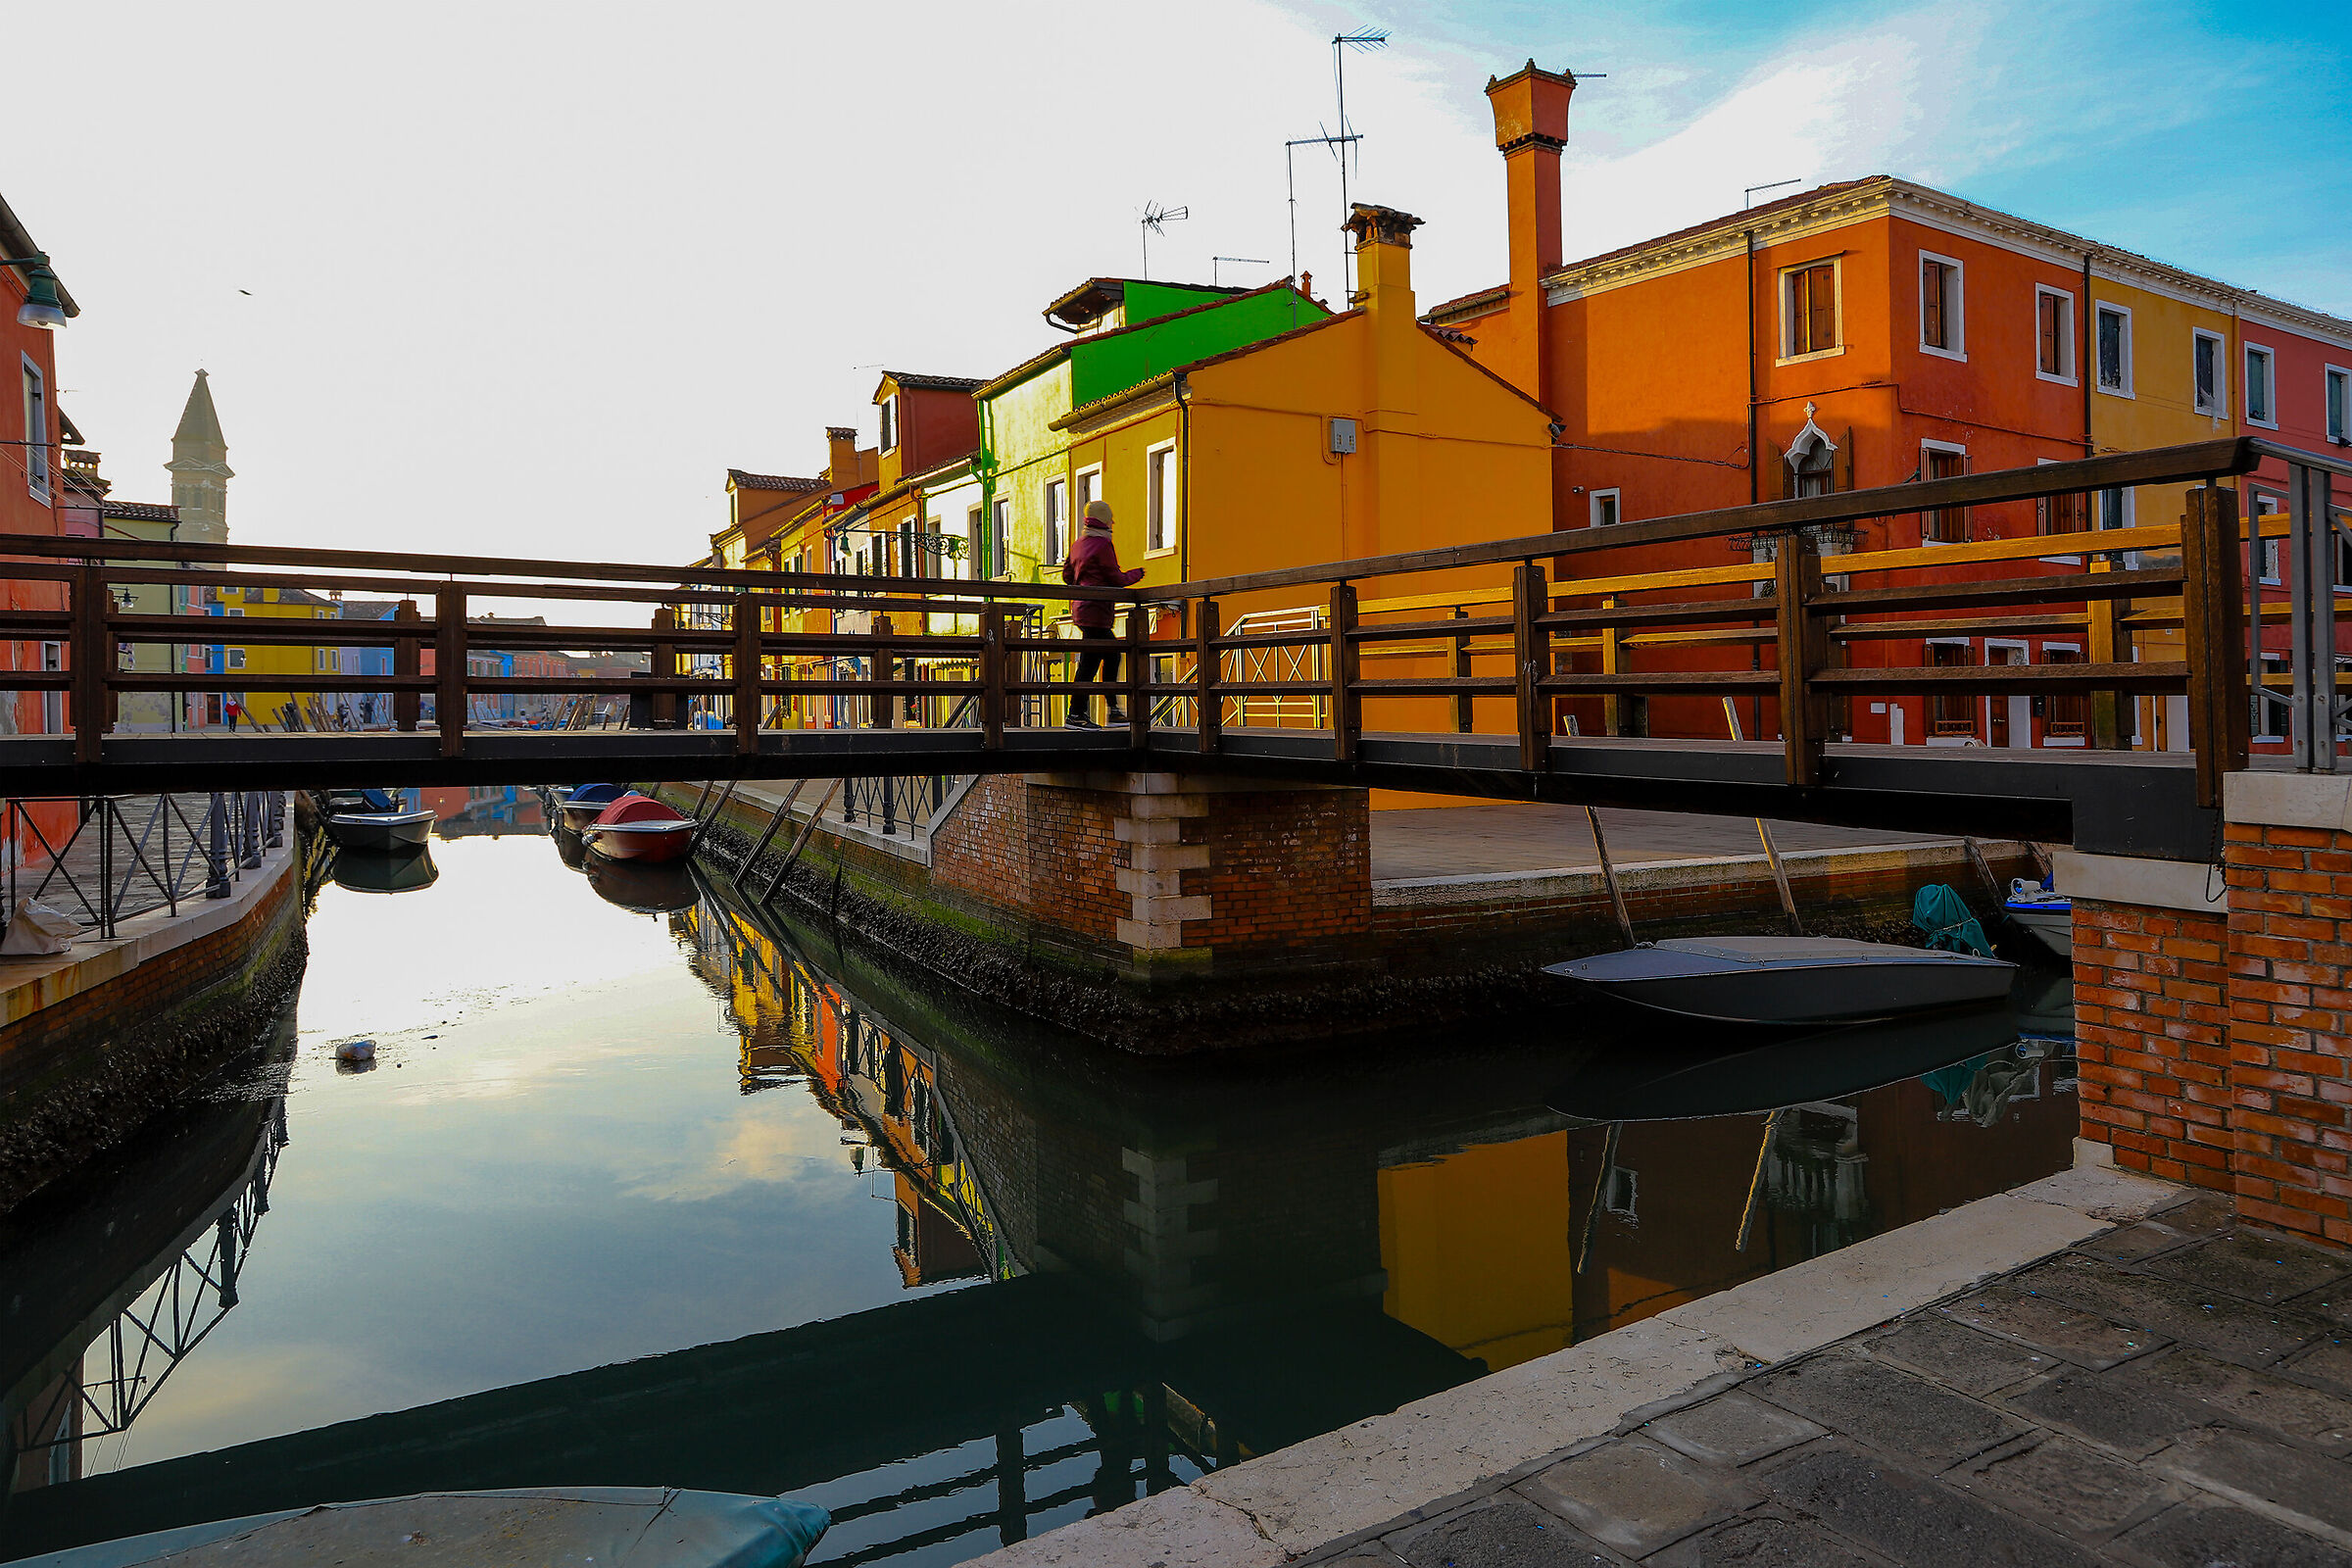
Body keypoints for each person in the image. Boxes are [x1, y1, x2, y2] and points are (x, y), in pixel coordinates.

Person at [1061, 500, 1145, 728]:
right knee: (1093, 662)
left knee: (1107, 656)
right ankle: (1078, 714)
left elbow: (1067, 576)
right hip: (1097, 611)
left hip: (1082, 609)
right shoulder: (1103, 545)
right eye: (1110, 517)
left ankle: (1110, 711)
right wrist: (1137, 574)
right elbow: (1116, 579)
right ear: (1104, 520)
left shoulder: (1078, 544)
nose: (1113, 522)